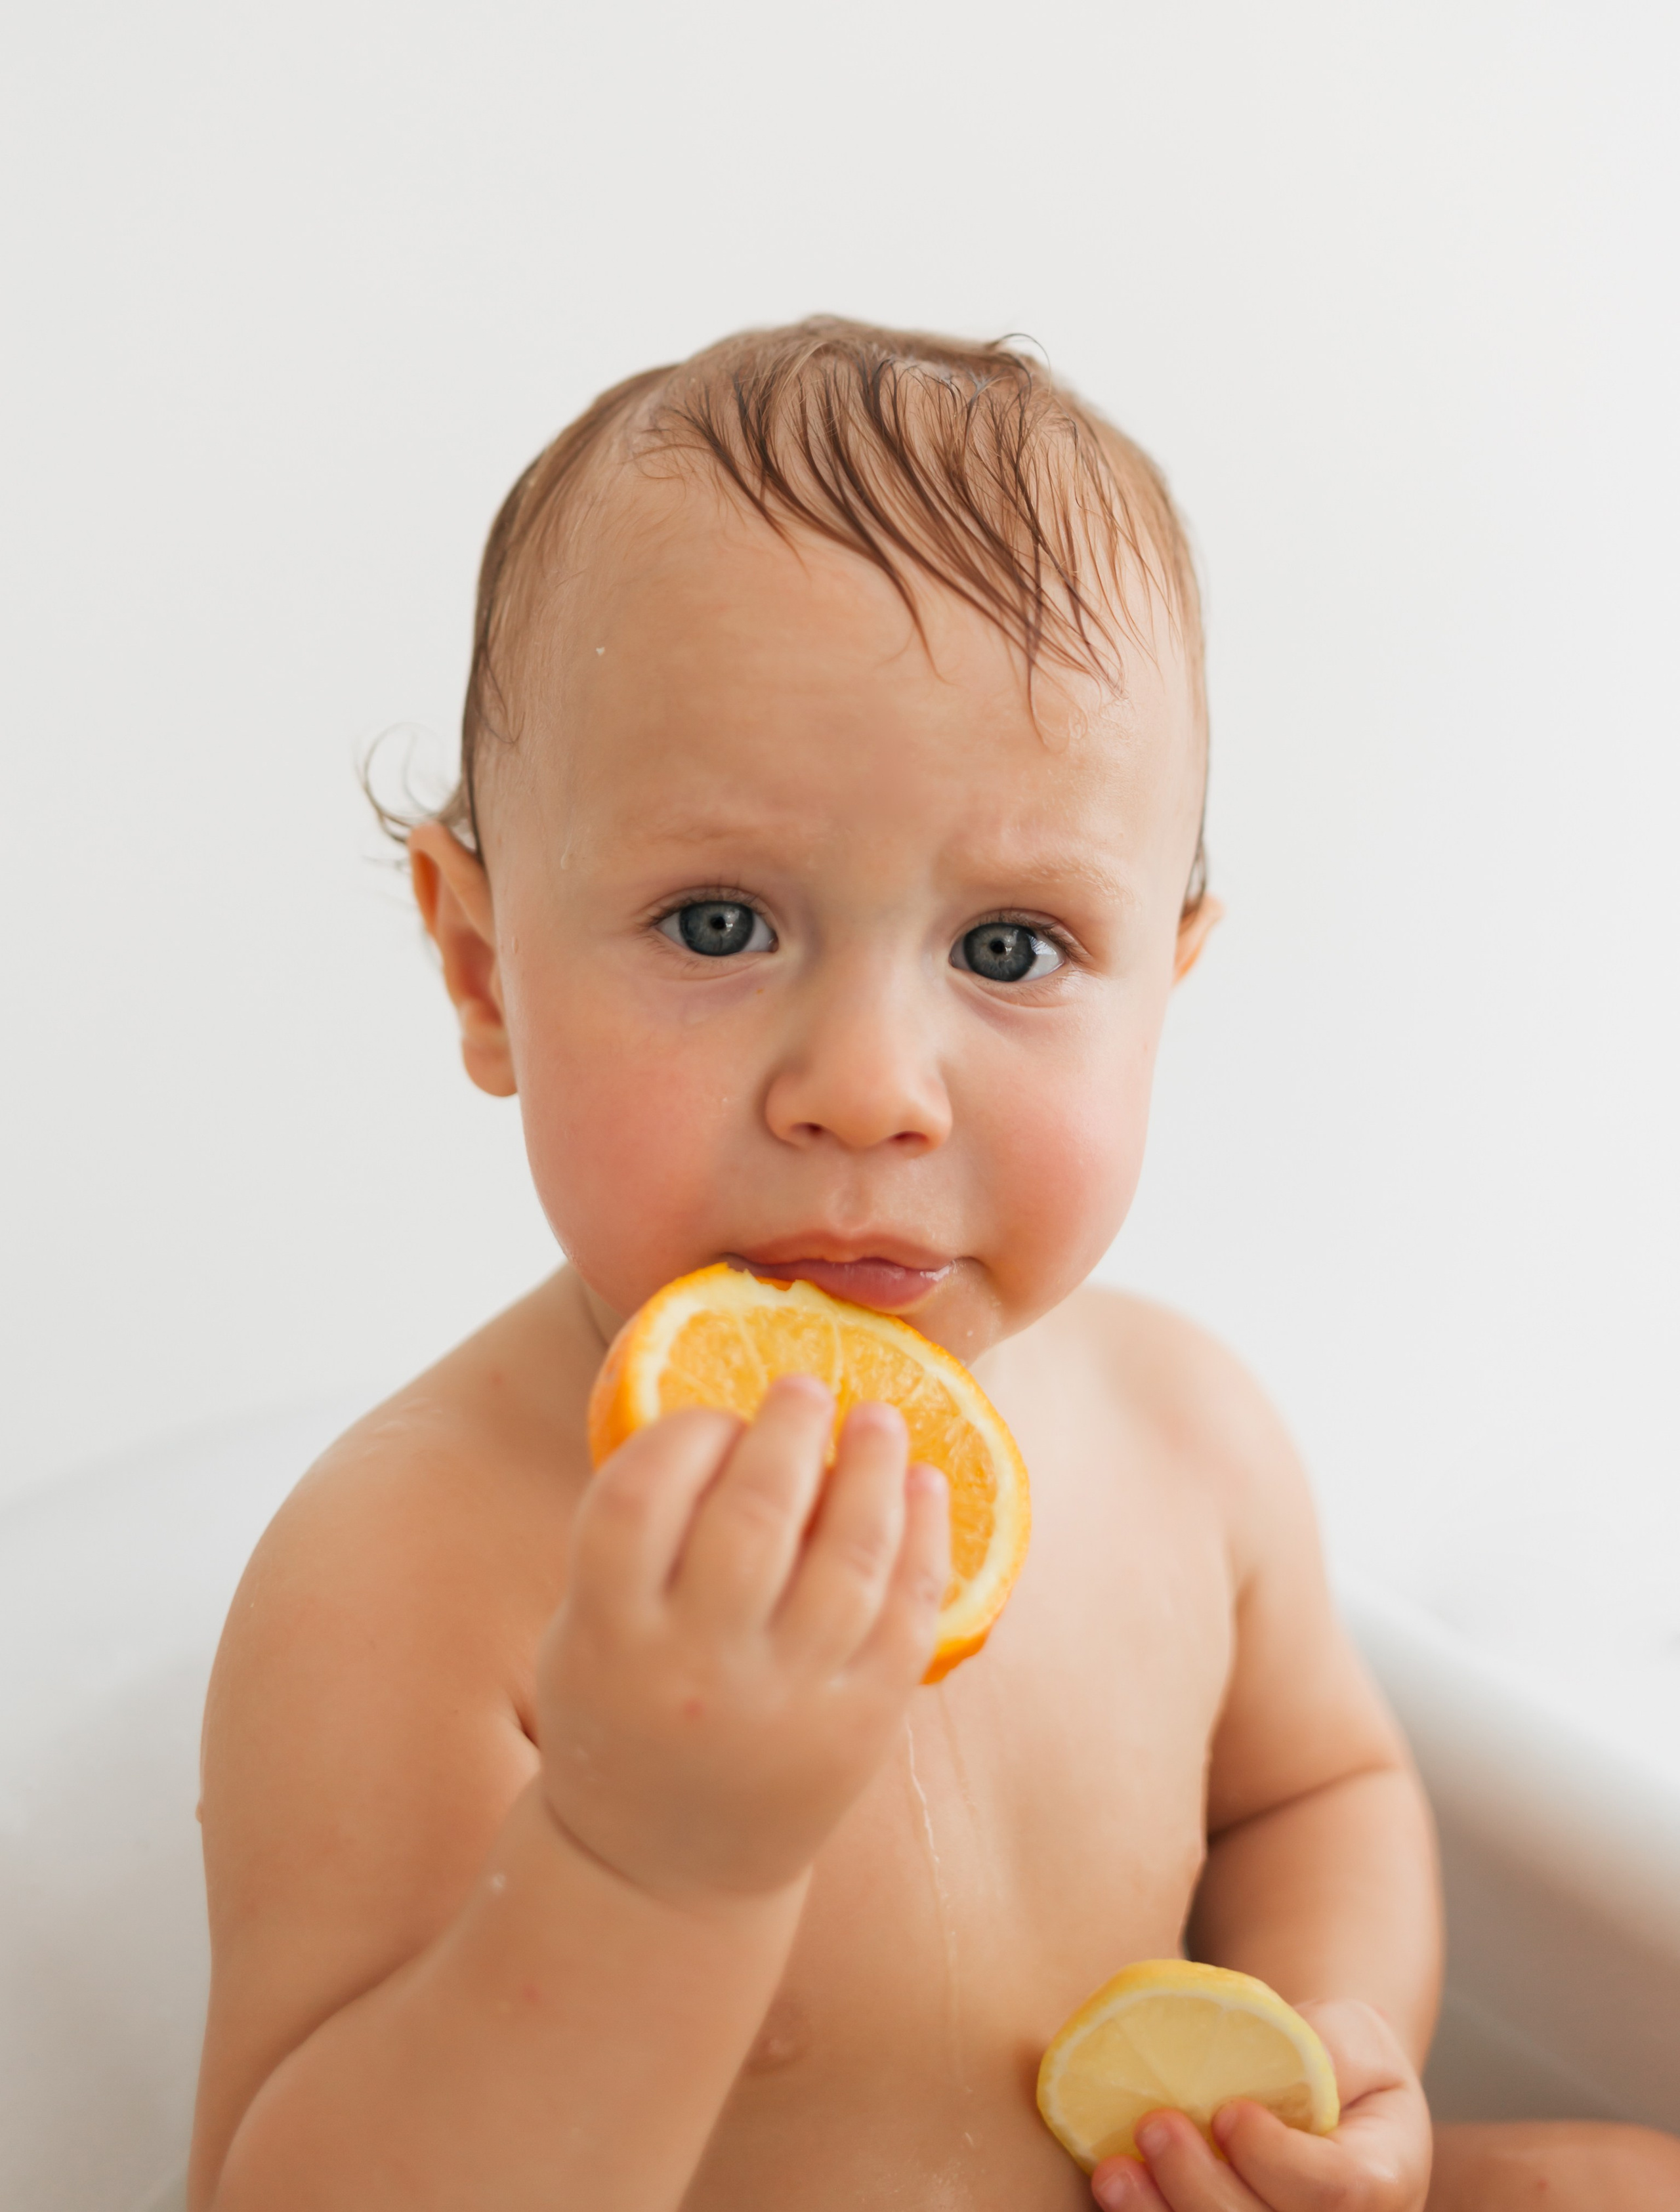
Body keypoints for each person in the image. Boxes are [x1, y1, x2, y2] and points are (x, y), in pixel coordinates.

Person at [186, 319, 1680, 2211]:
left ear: (1168, 983)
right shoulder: (416, 1568)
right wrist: (646, 1858)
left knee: (1620, 2181)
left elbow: (1319, 1795)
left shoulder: (1184, 1437)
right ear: (484, 967)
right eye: (718, 920)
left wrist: (1322, 2047)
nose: (874, 1090)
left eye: (1012, 948)